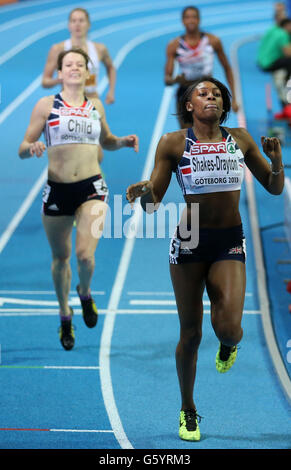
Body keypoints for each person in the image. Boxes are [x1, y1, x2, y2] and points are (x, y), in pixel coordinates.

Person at [126, 77, 284, 441]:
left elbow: (274, 188)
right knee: (191, 334)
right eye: (203, 93)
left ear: (224, 105)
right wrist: (144, 193)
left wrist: (276, 163)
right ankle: (188, 409)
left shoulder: (240, 139)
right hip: (189, 242)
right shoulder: (173, 143)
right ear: (189, 106)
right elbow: (153, 205)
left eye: (216, 93)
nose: (211, 96)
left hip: (229, 240)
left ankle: (228, 343)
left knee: (230, 327)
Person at [19, 48, 138, 351]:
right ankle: (64, 314)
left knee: (85, 256)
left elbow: (106, 141)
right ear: (60, 73)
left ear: (88, 72)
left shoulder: (95, 104)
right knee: (61, 258)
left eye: (79, 65)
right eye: (68, 64)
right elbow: (23, 145)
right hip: (57, 190)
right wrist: (31, 147)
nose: (73, 68)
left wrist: (122, 142)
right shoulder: (45, 106)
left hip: (92, 188)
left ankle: (84, 292)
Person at [42, 7, 116, 163]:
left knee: (97, 150)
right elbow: (45, 81)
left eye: (81, 21)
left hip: (92, 103)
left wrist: (111, 91)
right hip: (67, 106)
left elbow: (111, 67)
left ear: (88, 24)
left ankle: (92, 178)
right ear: (69, 25)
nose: (77, 25)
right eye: (73, 21)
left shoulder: (99, 48)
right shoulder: (58, 49)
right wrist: (63, 79)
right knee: (70, 150)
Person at [164, 6, 239, 128]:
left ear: (199, 20)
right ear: (183, 21)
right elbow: (167, 79)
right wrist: (175, 80)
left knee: (209, 133)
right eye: (187, 17)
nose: (191, 20)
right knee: (188, 137)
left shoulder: (212, 41)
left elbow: (227, 68)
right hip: (185, 92)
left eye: (194, 17)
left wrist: (234, 98)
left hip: (207, 91)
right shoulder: (174, 45)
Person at [257, 17, 291, 118]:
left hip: (262, 61)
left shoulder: (273, 29)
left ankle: (285, 109)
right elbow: (288, 53)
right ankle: (287, 79)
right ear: (286, 26)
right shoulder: (283, 34)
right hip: (270, 63)